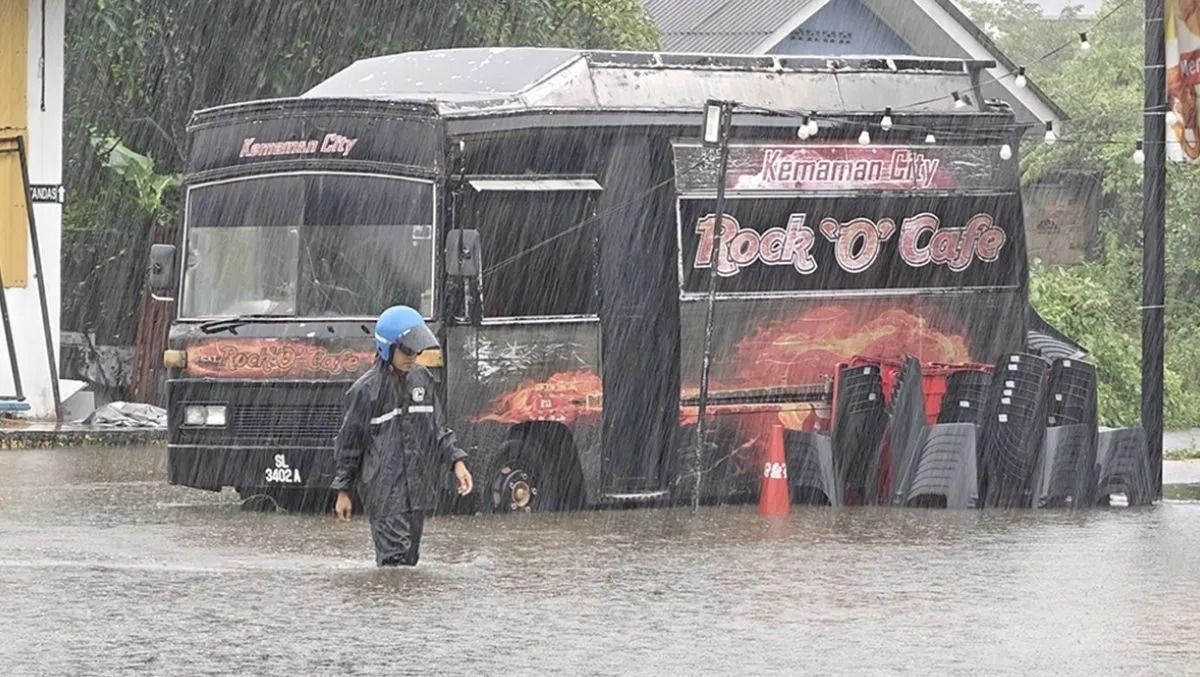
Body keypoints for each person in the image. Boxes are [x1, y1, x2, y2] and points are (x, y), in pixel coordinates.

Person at [331, 305, 473, 566]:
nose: (413, 356)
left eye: (417, 350)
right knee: (394, 563)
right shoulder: (365, 391)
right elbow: (349, 445)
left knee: (410, 562)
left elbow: (438, 428)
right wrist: (343, 490)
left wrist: (457, 462)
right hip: (384, 492)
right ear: (387, 348)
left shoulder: (423, 380)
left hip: (417, 490)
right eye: (407, 350)